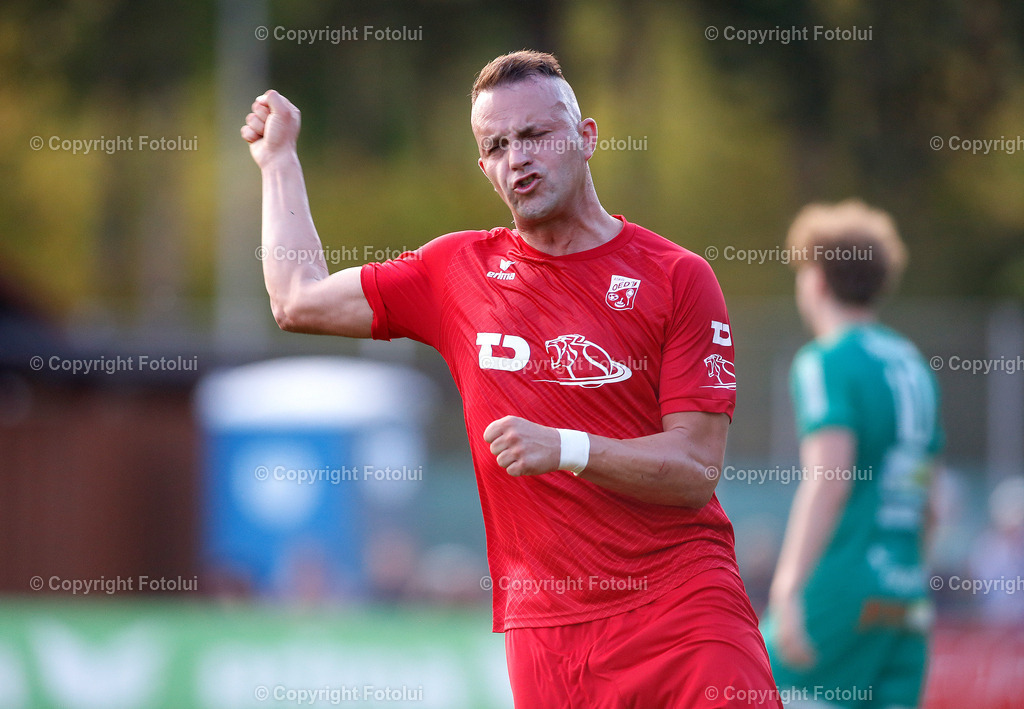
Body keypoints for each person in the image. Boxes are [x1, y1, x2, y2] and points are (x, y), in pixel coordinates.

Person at [242, 50, 781, 708]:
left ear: (585, 139)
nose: (516, 158)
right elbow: (297, 298)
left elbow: (697, 466)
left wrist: (566, 446)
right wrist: (279, 162)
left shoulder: (676, 276)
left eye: (533, 135)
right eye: (495, 145)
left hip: (685, 618)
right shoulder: (455, 270)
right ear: (483, 167)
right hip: (548, 643)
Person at [763, 201, 944, 708]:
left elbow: (831, 476)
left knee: (750, 689)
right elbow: (932, 502)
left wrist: (789, 588)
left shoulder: (826, 359)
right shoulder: (913, 365)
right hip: (905, 599)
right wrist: (908, 580)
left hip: (841, 585)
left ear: (817, 279)